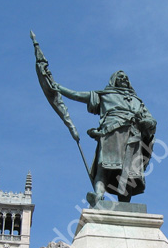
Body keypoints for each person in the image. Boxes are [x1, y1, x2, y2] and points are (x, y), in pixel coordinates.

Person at [53, 71, 156, 205]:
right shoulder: (106, 95)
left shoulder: (137, 101)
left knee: (129, 173)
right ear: (114, 80)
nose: (124, 79)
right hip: (111, 134)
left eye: (126, 77)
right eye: (120, 77)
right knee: (104, 168)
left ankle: (124, 206)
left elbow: (150, 119)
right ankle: (98, 196)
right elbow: (78, 95)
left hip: (133, 136)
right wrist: (59, 88)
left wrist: (149, 122)